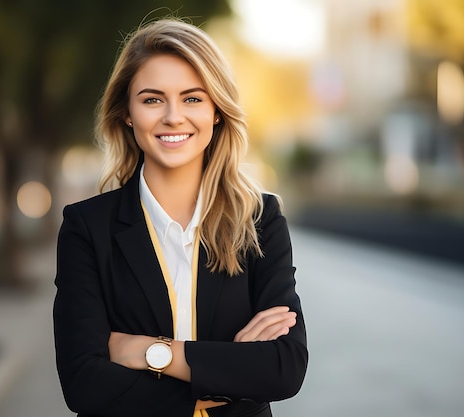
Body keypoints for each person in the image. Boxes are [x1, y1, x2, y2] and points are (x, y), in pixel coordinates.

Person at [53, 17, 307, 417]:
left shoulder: (260, 220)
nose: (173, 117)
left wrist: (148, 352)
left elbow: (284, 368)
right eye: (153, 99)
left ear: (217, 111)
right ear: (127, 113)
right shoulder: (87, 228)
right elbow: (83, 383)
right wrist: (227, 370)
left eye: (192, 98)